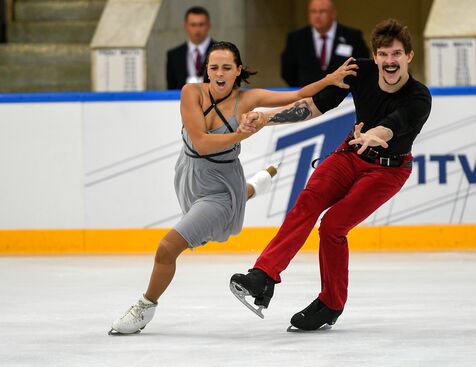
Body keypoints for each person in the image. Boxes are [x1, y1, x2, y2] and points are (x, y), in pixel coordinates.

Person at [109, 41, 357, 335]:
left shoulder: (248, 99)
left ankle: (144, 307)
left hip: (220, 187)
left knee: (167, 249)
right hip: (188, 174)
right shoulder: (191, 93)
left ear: (238, 70)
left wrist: (329, 80)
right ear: (207, 70)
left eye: (227, 67)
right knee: (226, 203)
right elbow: (200, 144)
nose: (220, 73)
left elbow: (298, 95)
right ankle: (253, 186)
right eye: (214, 67)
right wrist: (239, 134)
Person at [231, 18, 432, 331]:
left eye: (396, 54)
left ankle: (331, 303)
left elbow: (395, 122)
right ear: (375, 55)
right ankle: (263, 276)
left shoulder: (419, 97)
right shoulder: (358, 71)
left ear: (409, 56)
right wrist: (266, 120)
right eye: (383, 54)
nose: (389, 62)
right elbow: (314, 106)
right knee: (308, 200)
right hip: (350, 154)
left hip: (387, 171)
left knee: (334, 225)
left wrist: (375, 134)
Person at [281, 0, 371, 87]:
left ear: (333, 13)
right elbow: (288, 71)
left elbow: (363, 66)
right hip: (307, 94)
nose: (317, 16)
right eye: (313, 11)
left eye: (322, 11)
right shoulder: (296, 38)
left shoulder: (352, 36)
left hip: (344, 95)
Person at [166, 6, 215, 90]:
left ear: (209, 26)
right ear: (185, 26)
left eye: (201, 25)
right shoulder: (174, 55)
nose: (197, 29)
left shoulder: (222, 52)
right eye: (193, 25)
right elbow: (171, 89)